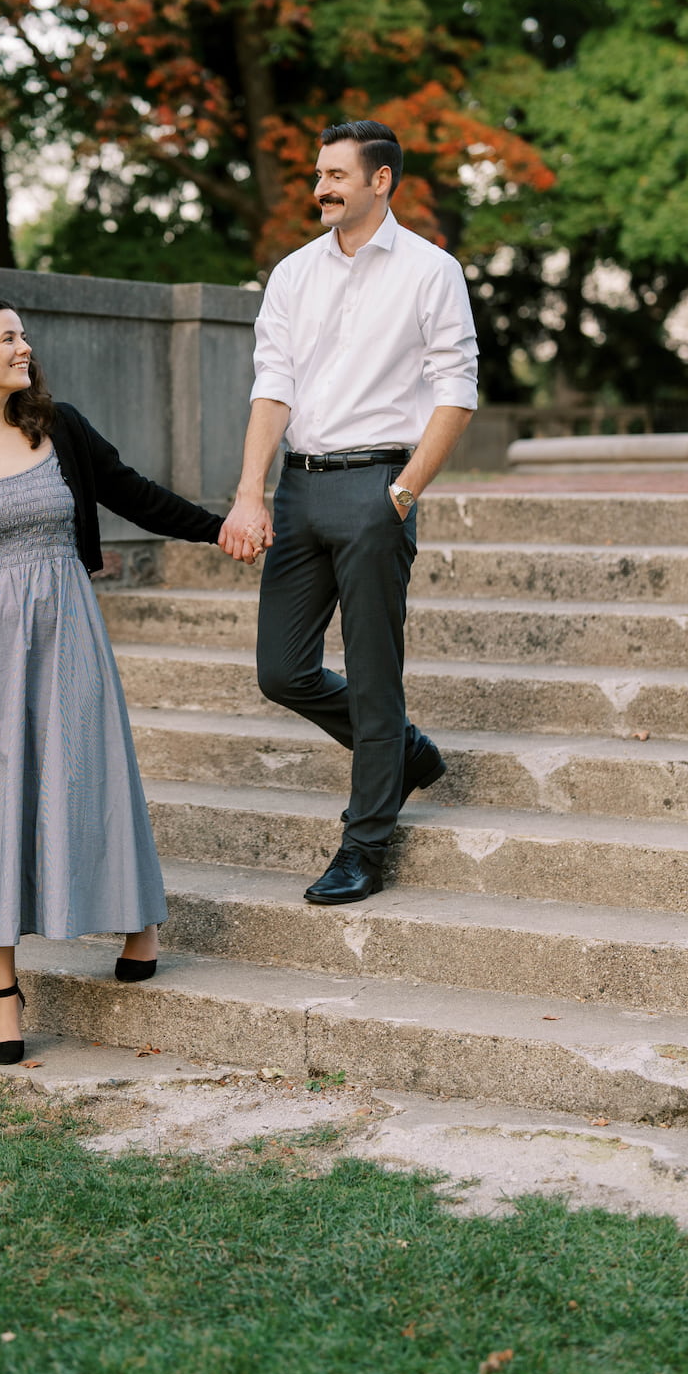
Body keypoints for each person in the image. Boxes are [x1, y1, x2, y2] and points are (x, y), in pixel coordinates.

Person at [0, 297, 238, 1065]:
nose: (24, 347)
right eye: (9, 338)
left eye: (24, 336)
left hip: (63, 637)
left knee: (89, 780)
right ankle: (5, 998)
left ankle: (139, 921)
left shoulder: (58, 426)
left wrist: (219, 528)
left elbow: (134, 493)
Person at [219, 120, 478, 905]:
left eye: (336, 174)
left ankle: (364, 844)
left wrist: (399, 496)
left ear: (381, 182)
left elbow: (456, 392)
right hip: (300, 488)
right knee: (282, 669)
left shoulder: (432, 272)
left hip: (376, 487)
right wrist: (249, 490)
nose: (321, 188)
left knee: (373, 674)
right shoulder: (293, 273)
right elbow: (274, 383)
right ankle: (402, 753)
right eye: (319, 175)